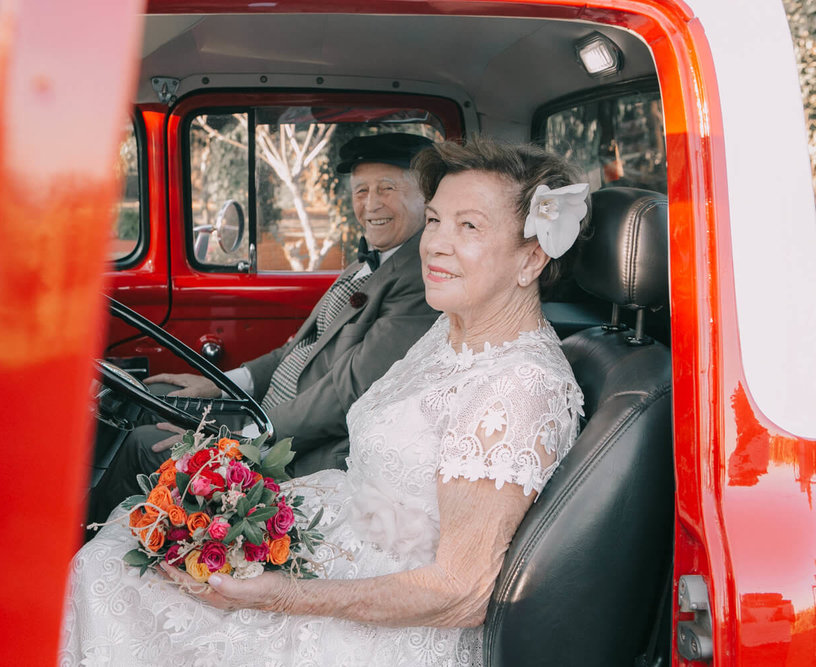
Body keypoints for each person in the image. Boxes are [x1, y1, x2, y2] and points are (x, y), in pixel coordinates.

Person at [60, 137, 587, 666]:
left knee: (111, 576)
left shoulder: (519, 388)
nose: (435, 246)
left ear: (532, 258)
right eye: (433, 221)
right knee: (124, 547)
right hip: (333, 538)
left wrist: (277, 594)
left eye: (468, 226)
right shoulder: (449, 331)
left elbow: (461, 591)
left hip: (383, 622)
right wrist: (248, 492)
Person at [88, 133, 439, 524]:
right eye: (361, 191)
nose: (370, 204)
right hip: (265, 411)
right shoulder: (366, 264)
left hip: (294, 444)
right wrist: (223, 384)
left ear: (425, 197)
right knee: (149, 395)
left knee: (143, 443)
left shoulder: (418, 279)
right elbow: (298, 349)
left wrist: (245, 439)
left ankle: (82, 537)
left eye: (386, 189)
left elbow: (348, 393)